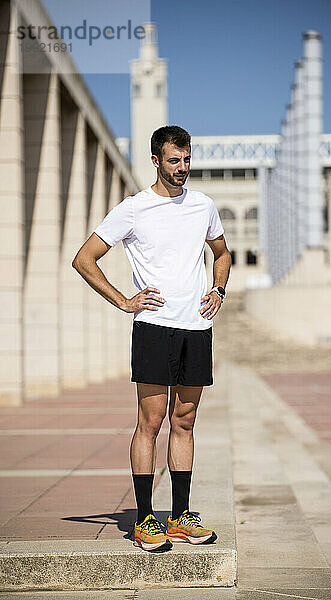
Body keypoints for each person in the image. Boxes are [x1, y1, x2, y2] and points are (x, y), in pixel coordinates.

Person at [72, 125, 231, 553]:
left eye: (187, 159)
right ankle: (145, 519)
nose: (182, 168)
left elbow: (222, 252)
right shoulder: (134, 209)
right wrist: (125, 301)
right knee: (151, 422)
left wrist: (218, 289)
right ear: (156, 161)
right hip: (155, 329)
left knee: (185, 422)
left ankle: (179, 515)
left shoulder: (203, 206)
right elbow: (84, 259)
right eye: (174, 160)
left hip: (196, 327)